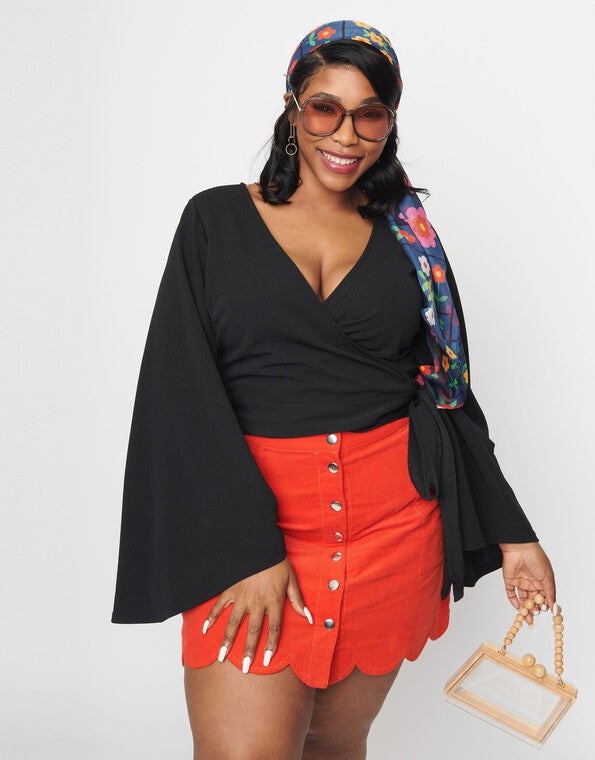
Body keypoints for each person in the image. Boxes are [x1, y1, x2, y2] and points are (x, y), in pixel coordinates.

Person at [111, 20, 556, 759]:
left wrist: (515, 533)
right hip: (252, 533)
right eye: (325, 107)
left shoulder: (411, 238)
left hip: (394, 534)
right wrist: (245, 549)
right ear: (292, 107)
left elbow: (447, 395)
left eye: (369, 114)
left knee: (334, 745)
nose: (346, 134)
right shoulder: (214, 219)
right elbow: (178, 392)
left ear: (389, 121)